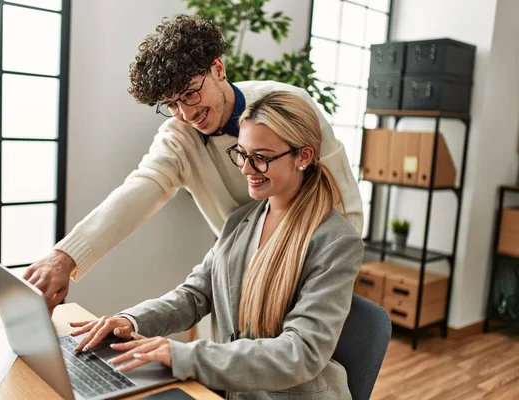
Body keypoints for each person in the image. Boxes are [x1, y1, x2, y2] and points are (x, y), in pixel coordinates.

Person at [23, 15, 363, 312]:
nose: (186, 114)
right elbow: (139, 191)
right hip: (239, 270)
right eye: (171, 104)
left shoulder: (288, 105)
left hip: (308, 266)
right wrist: (66, 256)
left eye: (189, 93)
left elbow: (342, 199)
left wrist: (333, 271)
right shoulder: (178, 137)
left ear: (218, 68)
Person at [69, 91, 363, 399]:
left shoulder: (336, 241)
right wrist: (130, 320)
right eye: (242, 154)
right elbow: (196, 295)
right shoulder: (241, 221)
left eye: (261, 157)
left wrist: (183, 355)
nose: (247, 170)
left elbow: (300, 353)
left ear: (303, 156)